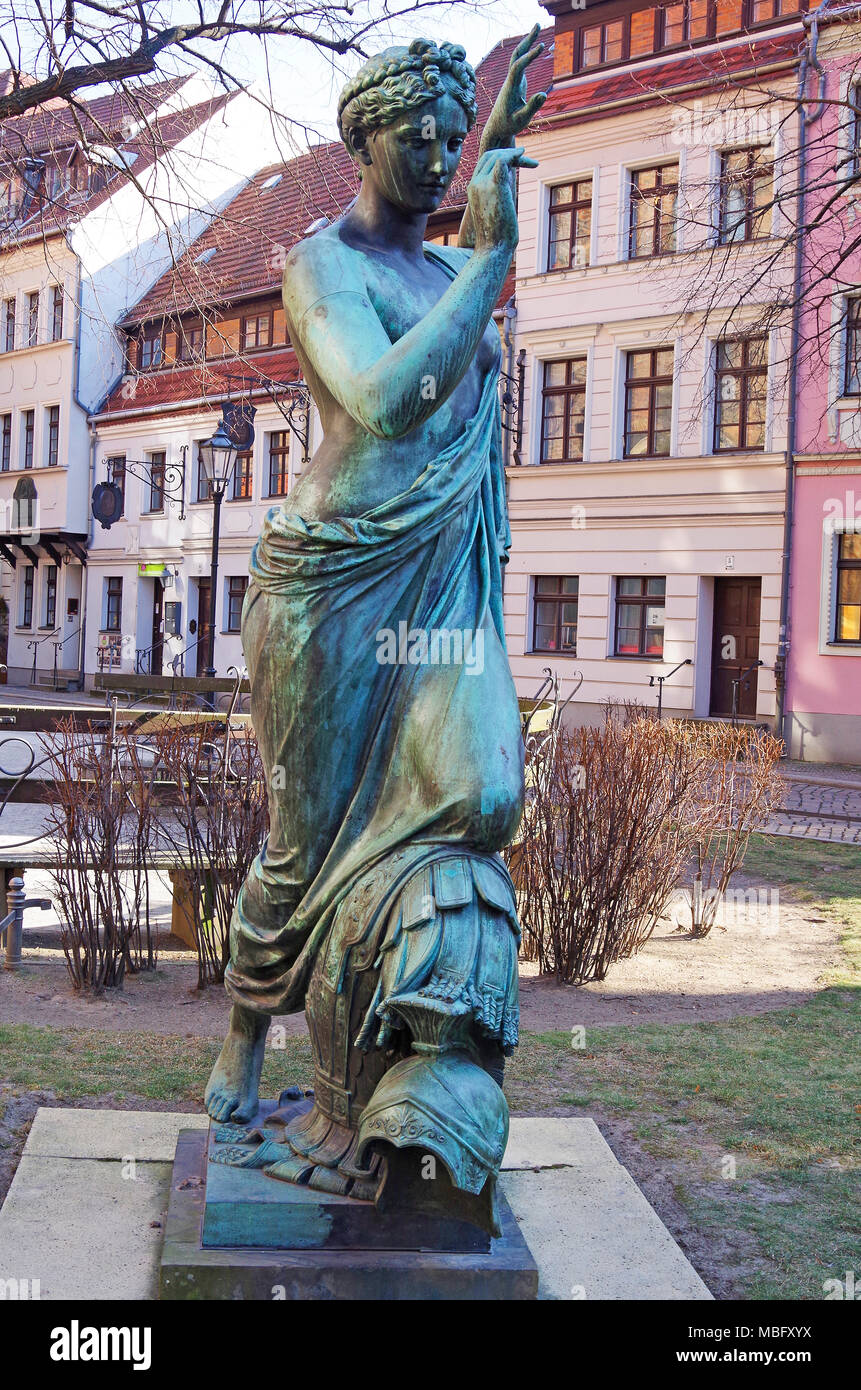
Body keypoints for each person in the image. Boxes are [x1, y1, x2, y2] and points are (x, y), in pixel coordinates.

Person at [205, 30, 546, 1180]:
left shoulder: (449, 267)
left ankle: (419, 1043)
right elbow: (389, 399)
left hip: (440, 578)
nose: (442, 158)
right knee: (303, 849)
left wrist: (482, 243)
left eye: (456, 139)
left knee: (483, 787)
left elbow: (470, 396)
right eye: (420, 138)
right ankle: (252, 1030)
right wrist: (494, 262)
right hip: (332, 591)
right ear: (362, 138)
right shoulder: (321, 265)